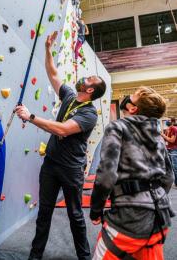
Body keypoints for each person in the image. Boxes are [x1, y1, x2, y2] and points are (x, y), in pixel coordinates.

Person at [15, 31, 106, 260]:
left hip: (71, 169)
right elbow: (53, 73)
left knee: (75, 215)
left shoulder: (89, 113)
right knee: (43, 212)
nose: (82, 79)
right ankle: (35, 256)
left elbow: (62, 129)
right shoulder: (69, 95)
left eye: (87, 80)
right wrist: (47, 49)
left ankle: (84, 257)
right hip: (51, 165)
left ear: (91, 90)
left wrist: (30, 116)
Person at [90, 87, 175, 260]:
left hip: (129, 218)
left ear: (132, 108)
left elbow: (106, 175)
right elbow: (168, 177)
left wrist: (95, 210)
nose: (127, 97)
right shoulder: (157, 135)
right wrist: (152, 200)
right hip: (160, 217)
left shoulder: (117, 127)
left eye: (131, 96)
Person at [161, 118, 177, 189]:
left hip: (174, 149)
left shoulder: (174, 129)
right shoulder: (167, 130)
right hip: (168, 149)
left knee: (175, 167)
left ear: (173, 122)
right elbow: (166, 139)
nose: (168, 122)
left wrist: (163, 135)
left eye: (169, 121)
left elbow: (172, 140)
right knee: (170, 167)